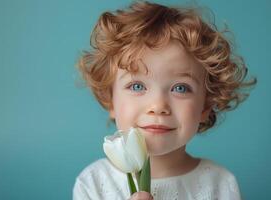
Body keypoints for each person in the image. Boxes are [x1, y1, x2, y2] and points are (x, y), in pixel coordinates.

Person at [73, 1, 256, 199]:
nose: (158, 106)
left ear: (206, 106)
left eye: (180, 88)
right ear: (110, 100)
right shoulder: (93, 183)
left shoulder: (220, 184)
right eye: (137, 86)